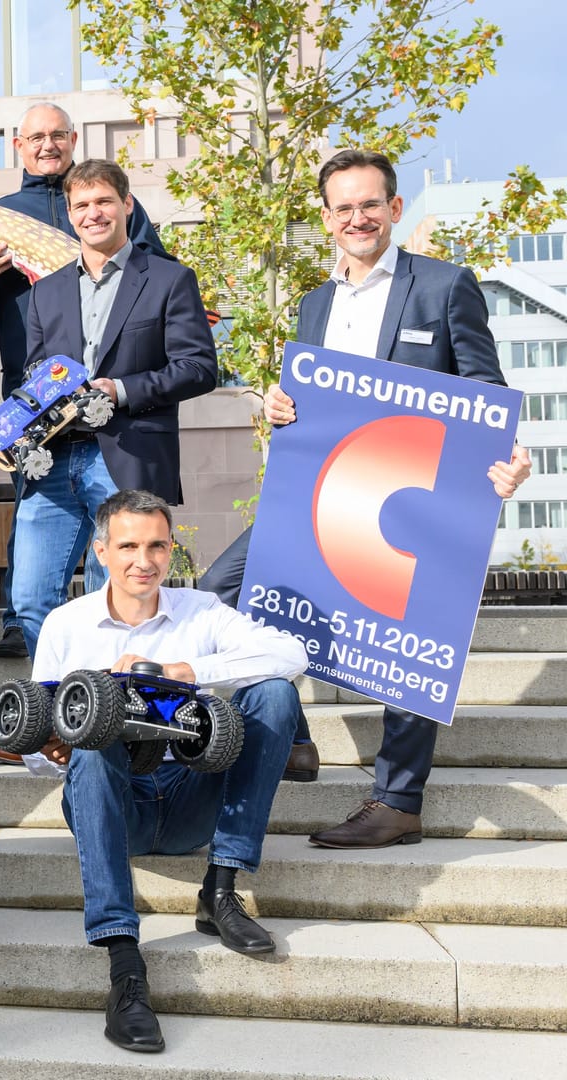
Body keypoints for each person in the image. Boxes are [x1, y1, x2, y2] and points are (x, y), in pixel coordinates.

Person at [198, 148, 531, 830]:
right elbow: (311, 395)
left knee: (411, 634)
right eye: (344, 207)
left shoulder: (443, 286)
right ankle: (288, 730)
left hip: (414, 497)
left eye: (370, 204)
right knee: (220, 589)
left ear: (395, 209)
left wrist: (505, 457)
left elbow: (483, 389)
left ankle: (397, 800)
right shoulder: (314, 304)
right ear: (326, 219)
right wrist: (279, 402)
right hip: (323, 492)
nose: (359, 218)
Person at [32, 490, 306, 1054]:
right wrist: (52, 750)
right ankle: (124, 965)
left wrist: (188, 672)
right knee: (91, 740)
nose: (144, 560)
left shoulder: (201, 611)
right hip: (116, 804)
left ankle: (221, 890)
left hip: (190, 795)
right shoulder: (66, 625)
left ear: (171, 548)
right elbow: (36, 749)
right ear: (101, 551)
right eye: (128, 545)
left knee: (276, 696)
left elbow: (292, 655)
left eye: (157, 545)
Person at [0, 103, 168, 660]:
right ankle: (17, 619)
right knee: (32, 501)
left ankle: (122, 643)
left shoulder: (115, 205)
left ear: (73, 139)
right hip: (34, 391)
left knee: (125, 523)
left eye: (57, 135)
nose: (47, 145)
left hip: (110, 403)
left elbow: (152, 272)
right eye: (36, 137)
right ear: (17, 145)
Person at [12, 159, 217, 660]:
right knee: (31, 600)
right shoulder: (45, 292)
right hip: (54, 460)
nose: (93, 213)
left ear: (126, 205)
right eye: (81, 205)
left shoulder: (170, 279)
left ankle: (114, 719)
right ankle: (77, 704)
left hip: (125, 455)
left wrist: (120, 390)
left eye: (104, 201)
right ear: (69, 213)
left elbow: (198, 367)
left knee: (126, 600)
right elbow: (35, 374)